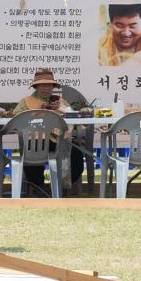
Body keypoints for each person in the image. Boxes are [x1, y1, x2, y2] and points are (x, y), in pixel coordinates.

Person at [12, 68, 85, 196]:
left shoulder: (60, 101)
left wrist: (63, 110)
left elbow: (72, 116)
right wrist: (36, 113)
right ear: (36, 86)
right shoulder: (26, 101)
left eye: (49, 85)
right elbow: (16, 117)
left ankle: (61, 187)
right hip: (35, 141)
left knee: (77, 155)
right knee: (31, 152)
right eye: (43, 85)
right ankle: (38, 187)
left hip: (58, 140)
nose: (47, 88)